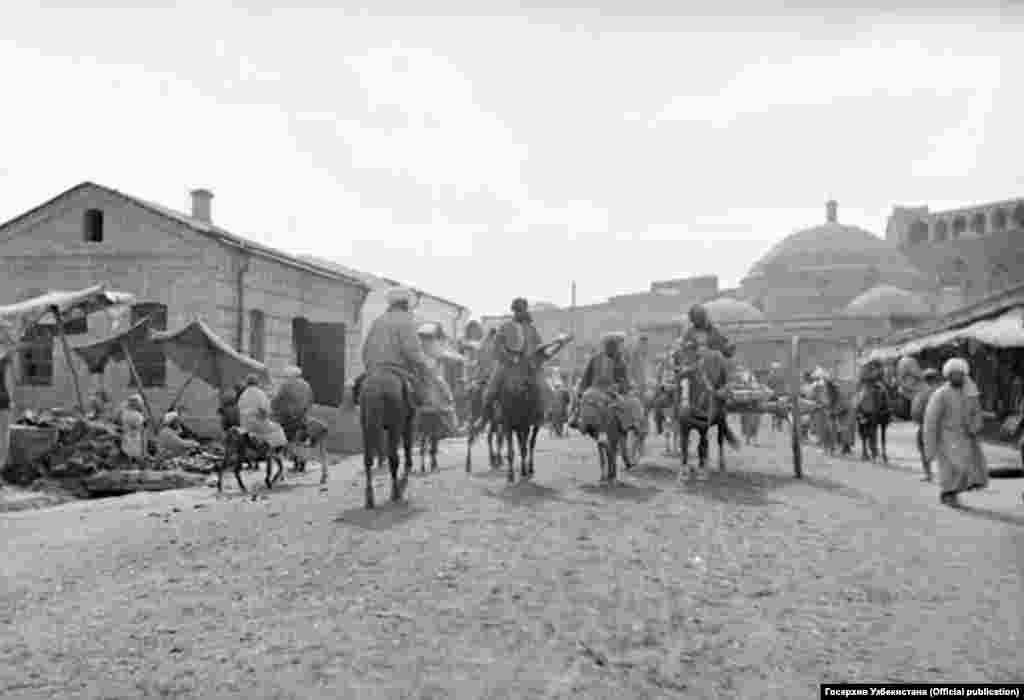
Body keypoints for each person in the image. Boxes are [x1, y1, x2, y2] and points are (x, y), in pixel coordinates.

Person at [923, 358, 989, 508]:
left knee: (965, 468)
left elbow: (976, 412)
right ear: (948, 375)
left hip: (965, 437)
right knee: (951, 467)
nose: (958, 377)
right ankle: (947, 494)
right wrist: (930, 443)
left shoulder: (970, 392)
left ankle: (951, 494)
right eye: (954, 374)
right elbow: (931, 420)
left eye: (960, 374)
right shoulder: (941, 394)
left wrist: (975, 426)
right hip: (946, 438)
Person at [359, 287, 433, 408]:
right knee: (421, 397)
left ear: (391, 303)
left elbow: (365, 351)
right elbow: (412, 352)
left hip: (374, 371)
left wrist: (371, 369)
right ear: (406, 304)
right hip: (397, 371)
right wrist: (425, 366)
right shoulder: (407, 320)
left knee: (354, 390)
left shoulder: (378, 321)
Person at [482, 298, 545, 411]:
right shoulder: (505, 327)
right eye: (517, 310)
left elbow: (539, 347)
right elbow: (497, 345)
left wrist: (538, 358)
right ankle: (485, 415)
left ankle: (545, 415)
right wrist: (507, 357)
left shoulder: (532, 329)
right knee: (492, 387)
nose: (519, 313)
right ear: (514, 311)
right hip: (508, 365)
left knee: (544, 387)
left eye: (521, 310)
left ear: (526, 310)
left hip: (528, 366)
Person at [571, 331, 631, 430]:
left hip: (614, 392)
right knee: (583, 399)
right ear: (604, 346)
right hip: (595, 389)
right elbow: (586, 377)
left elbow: (625, 381)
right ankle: (575, 417)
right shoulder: (594, 359)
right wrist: (581, 391)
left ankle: (627, 426)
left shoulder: (621, 362)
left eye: (613, 345)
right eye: (608, 344)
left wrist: (620, 387)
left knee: (624, 406)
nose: (610, 347)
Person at [237, 374, 288, 448]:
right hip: (258, 425)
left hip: (245, 425)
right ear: (257, 382)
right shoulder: (260, 393)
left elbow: (239, 410)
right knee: (278, 427)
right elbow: (265, 410)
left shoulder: (242, 395)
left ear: (247, 383)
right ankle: (277, 449)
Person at [910, 368, 942, 482]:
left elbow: (916, 410)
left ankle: (928, 474)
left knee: (923, 450)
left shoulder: (922, 392)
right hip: (942, 425)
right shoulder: (942, 390)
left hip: (926, 425)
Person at [272, 365, 314, 444]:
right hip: (302, 420)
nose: (284, 378)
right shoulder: (307, 386)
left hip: (287, 420)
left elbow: (276, 401)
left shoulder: (286, 385)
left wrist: (273, 409)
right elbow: (310, 401)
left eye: (285, 376)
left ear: (291, 376)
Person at [118, 394, 148, 464]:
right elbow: (144, 427)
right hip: (136, 442)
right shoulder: (136, 415)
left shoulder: (125, 413)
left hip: (126, 440)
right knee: (136, 459)